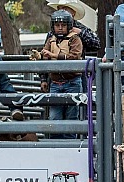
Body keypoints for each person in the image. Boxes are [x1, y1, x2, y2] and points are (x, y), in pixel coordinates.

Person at [40, 10, 83, 139]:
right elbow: (44, 59)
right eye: (57, 25)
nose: (59, 28)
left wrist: (53, 55)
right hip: (55, 83)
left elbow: (74, 57)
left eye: (63, 25)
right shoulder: (50, 40)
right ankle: (55, 144)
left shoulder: (75, 39)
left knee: (71, 116)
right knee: (54, 117)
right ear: (53, 26)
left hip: (72, 82)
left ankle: (70, 145)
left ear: (68, 26)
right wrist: (43, 79)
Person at [47, 0, 100, 92]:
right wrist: (43, 79)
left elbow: (96, 44)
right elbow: (45, 55)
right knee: (54, 103)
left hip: (77, 74)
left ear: (73, 13)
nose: (61, 12)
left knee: (79, 102)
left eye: (65, 9)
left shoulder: (81, 29)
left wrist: (81, 33)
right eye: (59, 9)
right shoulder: (52, 33)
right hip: (55, 76)